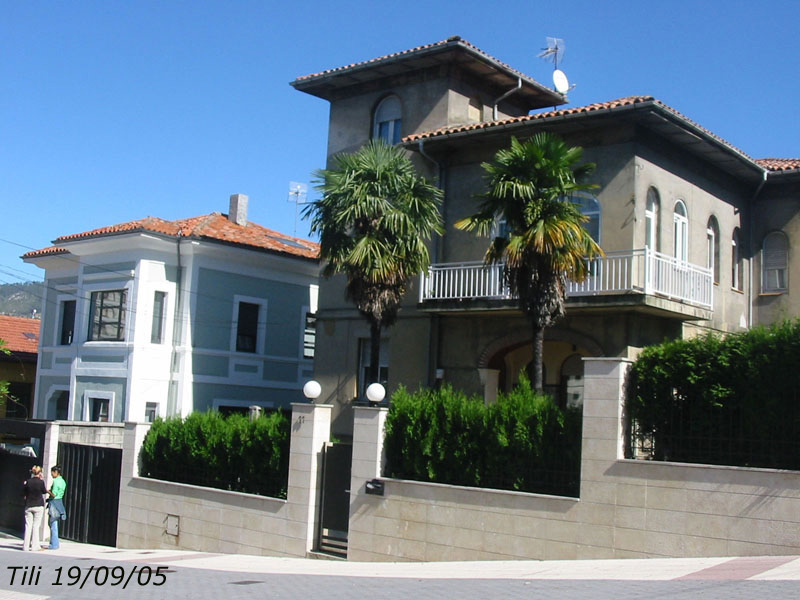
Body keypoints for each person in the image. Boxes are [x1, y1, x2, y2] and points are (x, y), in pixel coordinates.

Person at [22, 466, 46, 551]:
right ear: (40, 472)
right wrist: (41, 479)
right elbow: (44, 491)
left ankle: (25, 546)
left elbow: (24, 493)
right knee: (36, 526)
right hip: (38, 505)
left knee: (28, 526)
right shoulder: (41, 482)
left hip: (29, 505)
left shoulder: (28, 482)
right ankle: (35, 546)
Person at [47, 466, 67, 549]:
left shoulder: (55, 481)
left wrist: (48, 491)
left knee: (52, 523)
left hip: (54, 502)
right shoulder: (63, 481)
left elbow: (54, 494)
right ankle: (54, 543)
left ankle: (54, 544)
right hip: (60, 501)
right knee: (54, 522)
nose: (51, 474)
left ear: (56, 472)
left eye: (52, 472)